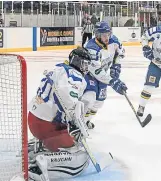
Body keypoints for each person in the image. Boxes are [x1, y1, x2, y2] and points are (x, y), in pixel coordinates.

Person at [27, 48, 93, 180]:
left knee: (65, 134)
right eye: (84, 64)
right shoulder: (75, 75)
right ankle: (43, 162)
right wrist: (76, 123)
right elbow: (69, 98)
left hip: (33, 119)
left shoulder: (58, 68)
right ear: (77, 62)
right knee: (75, 147)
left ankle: (37, 146)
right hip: (46, 124)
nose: (85, 68)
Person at [81, 21, 127, 129]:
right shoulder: (91, 47)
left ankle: (86, 121)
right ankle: (78, 123)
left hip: (103, 76)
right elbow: (96, 71)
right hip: (89, 74)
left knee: (99, 102)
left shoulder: (114, 40)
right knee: (89, 98)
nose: (107, 37)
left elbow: (119, 54)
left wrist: (116, 66)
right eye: (104, 35)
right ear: (97, 35)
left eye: (108, 34)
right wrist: (112, 81)